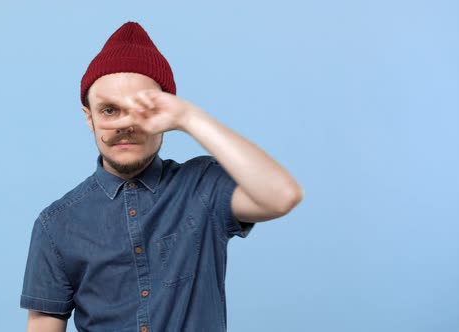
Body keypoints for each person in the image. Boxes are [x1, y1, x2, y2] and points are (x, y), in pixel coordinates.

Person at [20, 21, 304, 332]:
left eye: (141, 110)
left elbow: (282, 195)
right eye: (109, 110)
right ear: (90, 118)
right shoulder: (56, 223)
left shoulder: (203, 186)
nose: (125, 124)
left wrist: (188, 117)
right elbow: (44, 324)